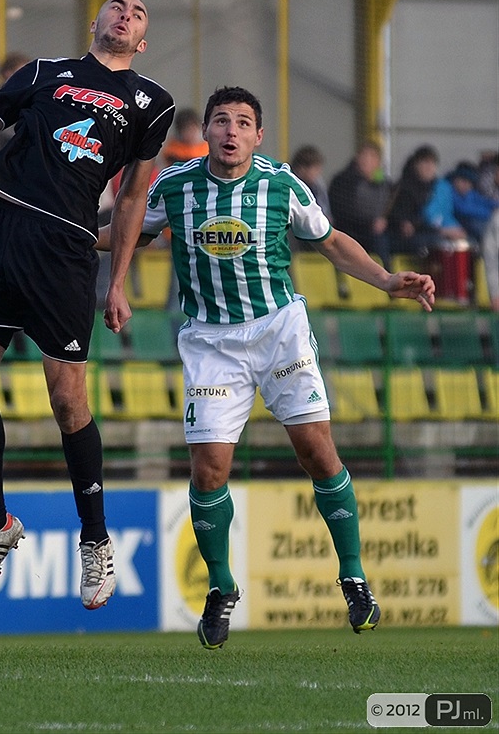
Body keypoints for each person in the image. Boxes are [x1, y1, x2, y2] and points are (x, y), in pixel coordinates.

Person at [97, 86, 436, 648]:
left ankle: (353, 575)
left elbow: (329, 242)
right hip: (210, 340)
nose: (231, 131)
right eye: (221, 121)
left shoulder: (281, 184)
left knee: (317, 452)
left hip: (278, 331)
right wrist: (75, 236)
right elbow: (132, 234)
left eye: (243, 122)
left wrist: (383, 279)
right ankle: (222, 586)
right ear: (204, 133)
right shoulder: (175, 186)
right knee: (209, 468)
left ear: (257, 135)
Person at [0, 0, 175, 608]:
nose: (125, 14)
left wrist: (116, 281)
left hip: (65, 250)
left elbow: (136, 198)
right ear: (95, 20)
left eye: (138, 14)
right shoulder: (41, 74)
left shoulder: (152, 102)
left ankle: (95, 540)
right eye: (117, 6)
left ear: (142, 41)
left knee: (67, 399)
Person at [386, 144, 465, 257]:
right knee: (437, 244)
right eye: (425, 163)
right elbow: (405, 222)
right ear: (416, 165)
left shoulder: (438, 188)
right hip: (404, 238)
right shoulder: (405, 188)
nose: (429, 167)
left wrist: (455, 229)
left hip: (428, 232)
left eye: (432, 163)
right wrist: (443, 232)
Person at [329, 141, 392, 267]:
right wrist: (370, 223)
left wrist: (385, 221)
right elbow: (342, 211)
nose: (367, 160)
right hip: (351, 231)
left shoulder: (386, 184)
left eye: (373, 157)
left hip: (379, 232)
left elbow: (392, 208)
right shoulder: (343, 181)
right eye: (364, 156)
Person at [289, 145, 331, 252]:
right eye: (316, 169)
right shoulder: (289, 184)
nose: (318, 173)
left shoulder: (318, 186)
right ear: (302, 168)